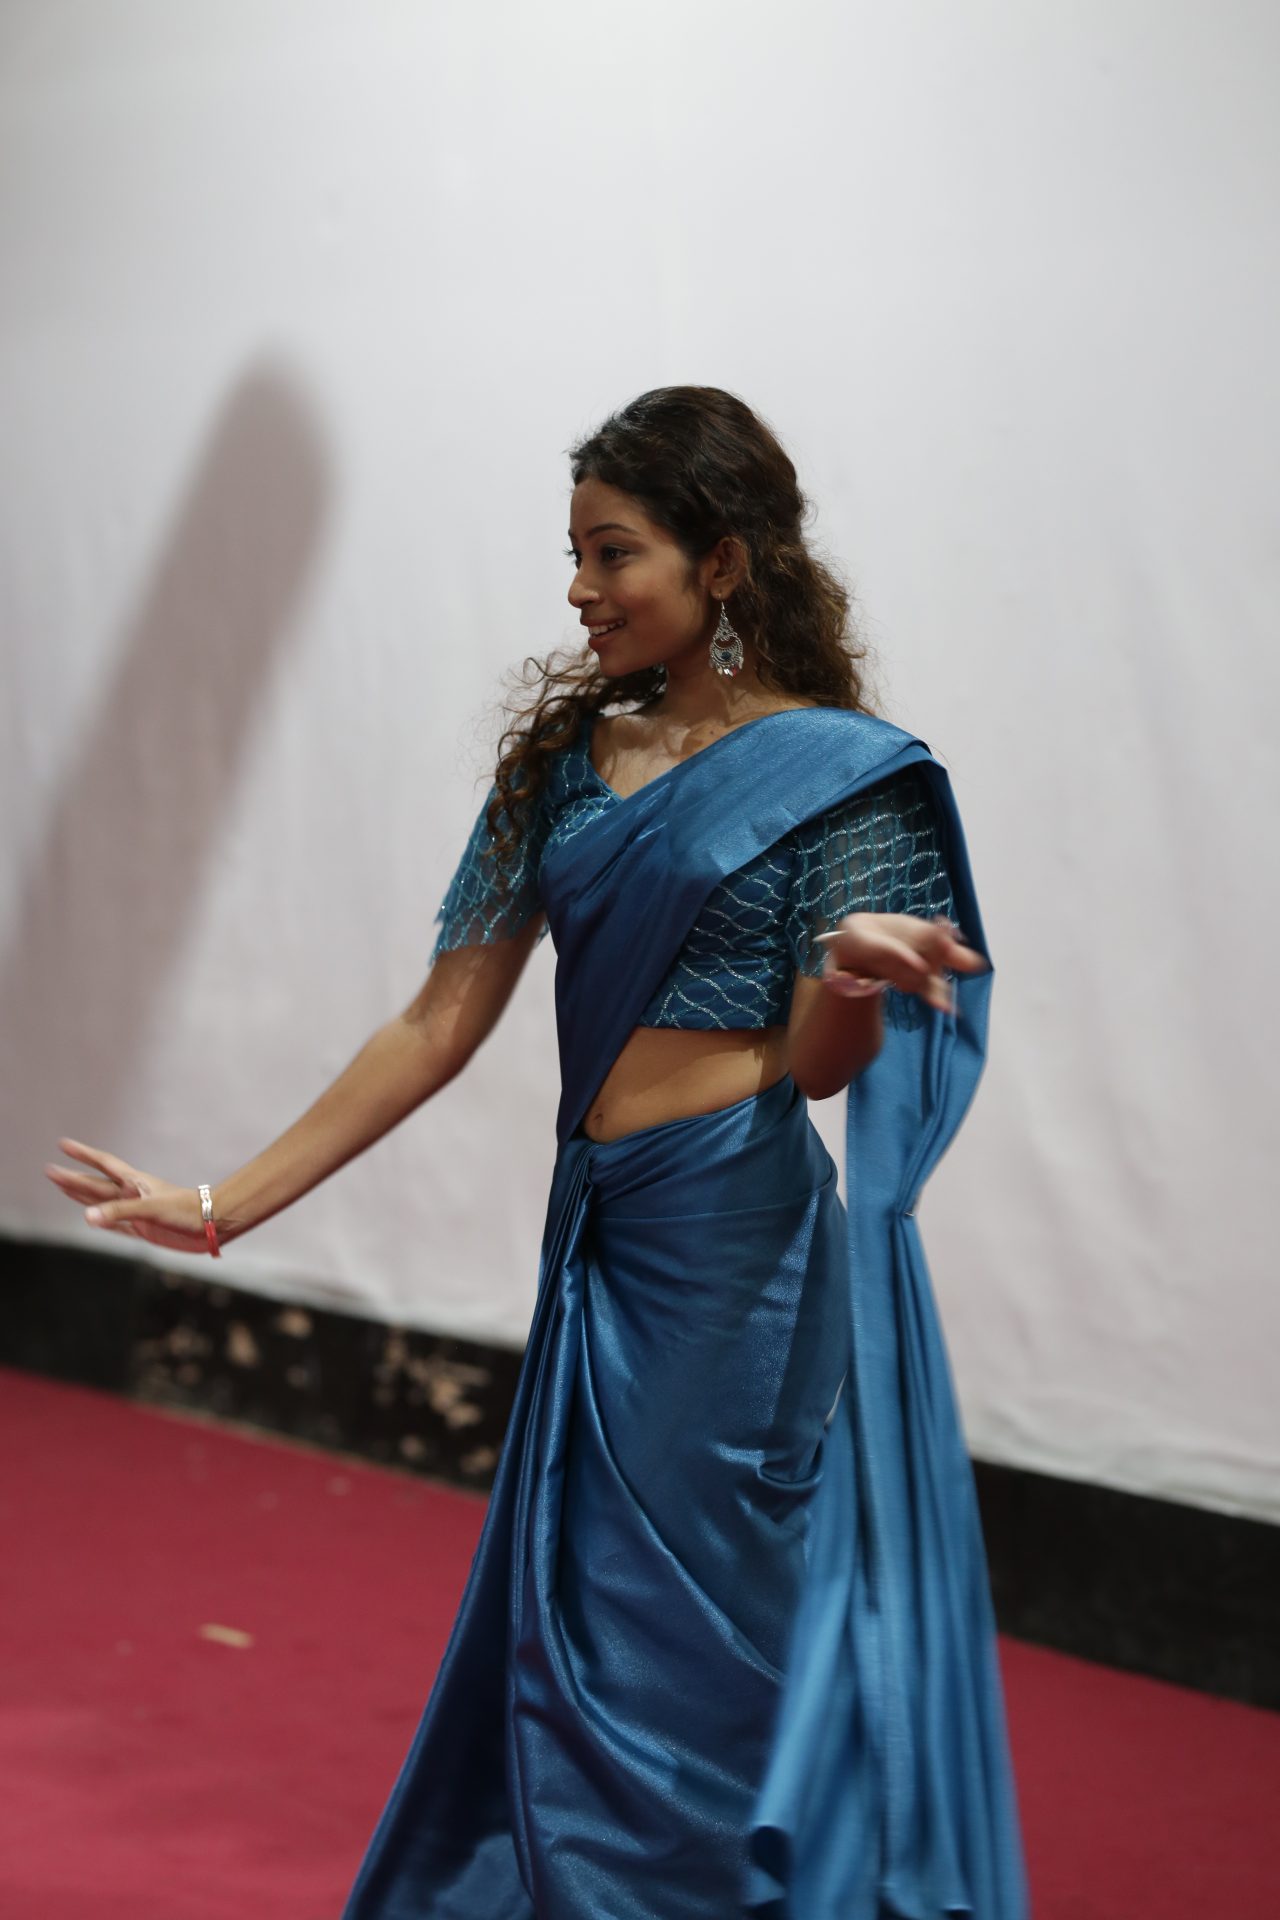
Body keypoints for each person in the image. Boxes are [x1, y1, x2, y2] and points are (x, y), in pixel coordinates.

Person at [45, 386, 1029, 1918]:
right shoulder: (565, 764)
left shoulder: (847, 771)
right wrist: (225, 1202)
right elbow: (439, 1025)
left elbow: (826, 1073)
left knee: (708, 1653)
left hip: (742, 1258)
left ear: (724, 563)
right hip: (601, 1238)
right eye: (571, 552)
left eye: (612, 551)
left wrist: (844, 974)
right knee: (579, 1643)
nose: (577, 588)